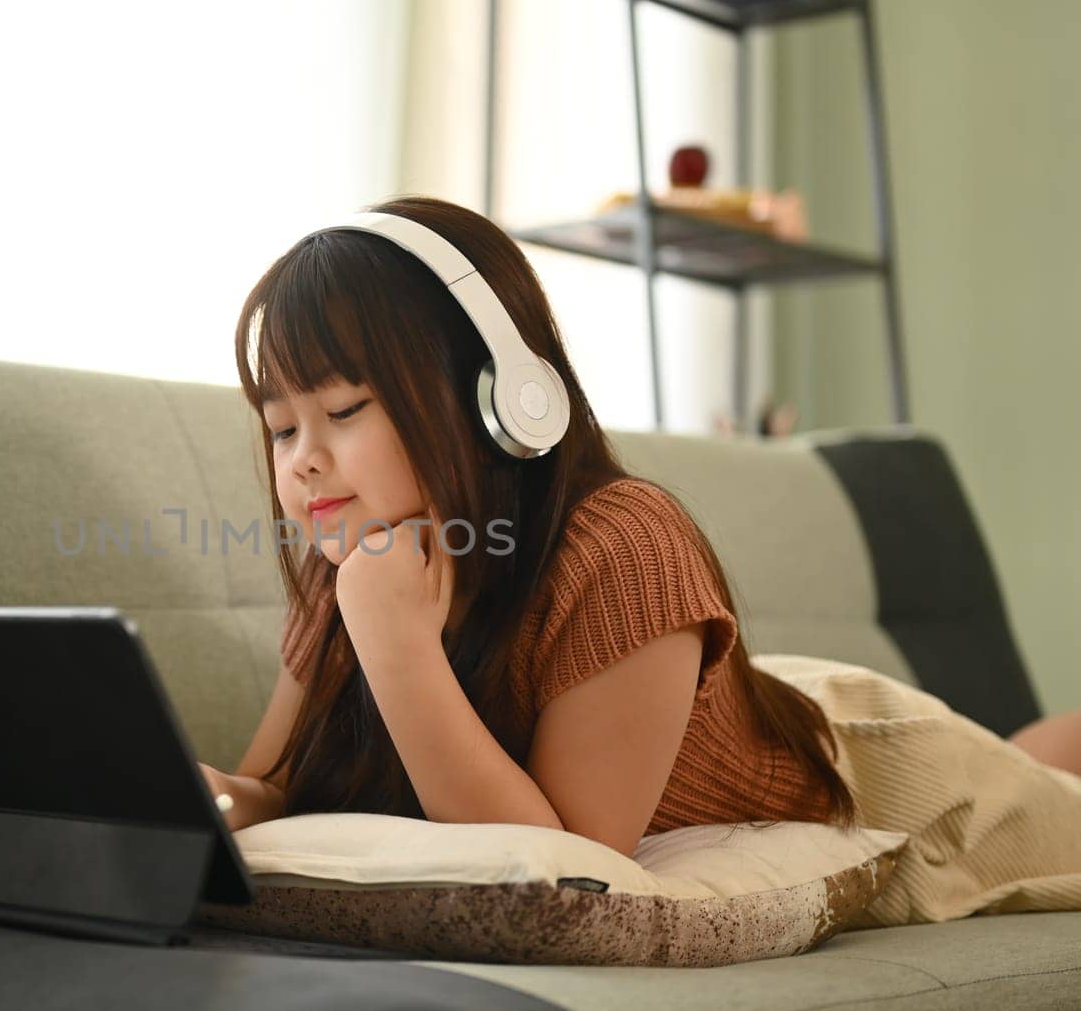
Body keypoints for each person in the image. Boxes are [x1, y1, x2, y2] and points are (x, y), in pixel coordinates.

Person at [197, 194, 1081, 864]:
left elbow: (567, 860)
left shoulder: (621, 544)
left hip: (884, 775)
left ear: (504, 398)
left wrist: (399, 648)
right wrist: (217, 801)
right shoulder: (350, 565)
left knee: (1047, 795)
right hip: (737, 705)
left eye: (344, 408)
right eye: (280, 427)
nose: (302, 460)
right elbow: (279, 789)